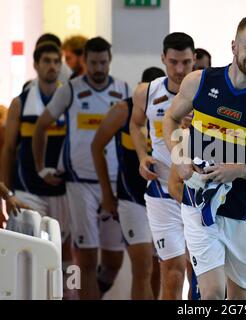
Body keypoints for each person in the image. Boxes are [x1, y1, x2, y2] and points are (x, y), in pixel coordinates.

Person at [163, 12, 246, 300]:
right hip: (199, 205)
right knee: (210, 295)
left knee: (240, 300)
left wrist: (240, 170)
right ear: (234, 46)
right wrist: (179, 158)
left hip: (244, 213)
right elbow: (170, 120)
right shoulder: (199, 82)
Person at [33, 37, 130, 300]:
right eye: (93, 63)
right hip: (79, 183)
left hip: (114, 182)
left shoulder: (123, 89)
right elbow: (41, 125)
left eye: (103, 62)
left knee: (113, 262)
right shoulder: (71, 89)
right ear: (85, 62)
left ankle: (87, 294)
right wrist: (42, 168)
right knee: (85, 259)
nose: (98, 68)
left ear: (110, 61)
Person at [130, 32, 196, 300]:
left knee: (202, 275)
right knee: (173, 272)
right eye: (173, 62)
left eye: (186, 62)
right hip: (160, 193)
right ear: (163, 60)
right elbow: (135, 124)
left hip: (196, 193)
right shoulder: (146, 92)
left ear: (194, 60)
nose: (180, 70)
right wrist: (141, 155)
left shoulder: (209, 93)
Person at [91, 67, 165, 300]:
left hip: (162, 200)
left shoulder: (169, 110)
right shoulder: (123, 110)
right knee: (142, 268)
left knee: (158, 269)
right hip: (131, 199)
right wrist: (106, 193)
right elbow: (96, 146)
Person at [1, 42, 73, 276]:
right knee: (26, 252)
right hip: (27, 189)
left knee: (63, 252)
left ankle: (66, 294)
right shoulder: (20, 103)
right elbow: (9, 149)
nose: (52, 66)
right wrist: (7, 193)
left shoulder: (70, 101)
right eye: (46, 61)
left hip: (62, 190)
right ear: (36, 65)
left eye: (56, 61)